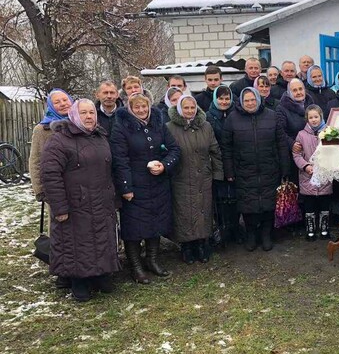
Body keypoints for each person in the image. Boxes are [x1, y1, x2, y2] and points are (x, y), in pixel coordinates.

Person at [40, 99, 120, 302]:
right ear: (74, 115)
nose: (88, 116)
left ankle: (101, 275)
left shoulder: (100, 136)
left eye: (91, 112)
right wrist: (59, 207)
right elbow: (50, 175)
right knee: (76, 242)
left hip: (101, 200)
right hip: (75, 203)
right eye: (83, 113)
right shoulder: (59, 140)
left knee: (101, 239)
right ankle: (79, 281)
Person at [111, 92, 181, 284]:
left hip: (158, 182)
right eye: (137, 107)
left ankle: (152, 259)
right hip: (135, 184)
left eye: (144, 107)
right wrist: (126, 187)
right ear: (130, 109)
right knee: (133, 227)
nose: (142, 110)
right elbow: (120, 160)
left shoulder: (158, 124)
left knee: (155, 222)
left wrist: (165, 165)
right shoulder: (121, 128)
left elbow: (174, 149)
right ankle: (136, 266)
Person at [221, 88, 291, 252]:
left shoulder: (271, 116)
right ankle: (251, 234)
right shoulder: (232, 119)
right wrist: (229, 171)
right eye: (247, 100)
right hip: (244, 169)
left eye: (253, 100)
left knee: (268, 203)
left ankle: (266, 233)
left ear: (258, 100)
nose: (250, 103)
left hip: (269, 168)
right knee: (248, 205)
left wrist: (284, 168)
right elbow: (226, 147)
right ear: (241, 102)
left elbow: (281, 144)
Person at [166, 95, 223, 264]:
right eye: (186, 108)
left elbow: (215, 151)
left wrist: (217, 174)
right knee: (184, 213)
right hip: (181, 177)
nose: (190, 111)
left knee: (203, 211)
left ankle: (202, 244)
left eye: (193, 108)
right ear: (179, 109)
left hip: (203, 177)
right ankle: (187, 246)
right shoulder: (169, 128)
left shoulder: (205, 126)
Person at [205, 85, 242, 245]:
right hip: (217, 161)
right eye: (221, 98)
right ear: (215, 99)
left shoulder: (237, 114)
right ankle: (222, 228)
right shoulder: (208, 116)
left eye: (227, 98)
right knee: (220, 198)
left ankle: (235, 228)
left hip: (236, 159)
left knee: (235, 197)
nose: (224, 101)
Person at [293, 105, 332, 241]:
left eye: (316, 117)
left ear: (321, 116)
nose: (314, 120)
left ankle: (324, 228)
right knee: (309, 204)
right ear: (307, 119)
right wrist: (305, 166)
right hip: (307, 176)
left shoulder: (328, 132)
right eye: (311, 117)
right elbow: (296, 154)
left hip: (324, 175)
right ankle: (310, 229)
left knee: (324, 203)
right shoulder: (301, 135)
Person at [30, 89, 74, 203]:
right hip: (55, 187)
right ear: (51, 106)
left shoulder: (80, 124)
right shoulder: (42, 129)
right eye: (57, 102)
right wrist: (40, 190)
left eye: (65, 100)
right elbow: (36, 160)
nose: (63, 103)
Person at [278, 78, 315, 151]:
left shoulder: (312, 104)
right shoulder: (282, 109)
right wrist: (291, 144)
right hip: (296, 151)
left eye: (300, 89)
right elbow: (280, 132)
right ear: (289, 92)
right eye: (294, 90)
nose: (298, 92)